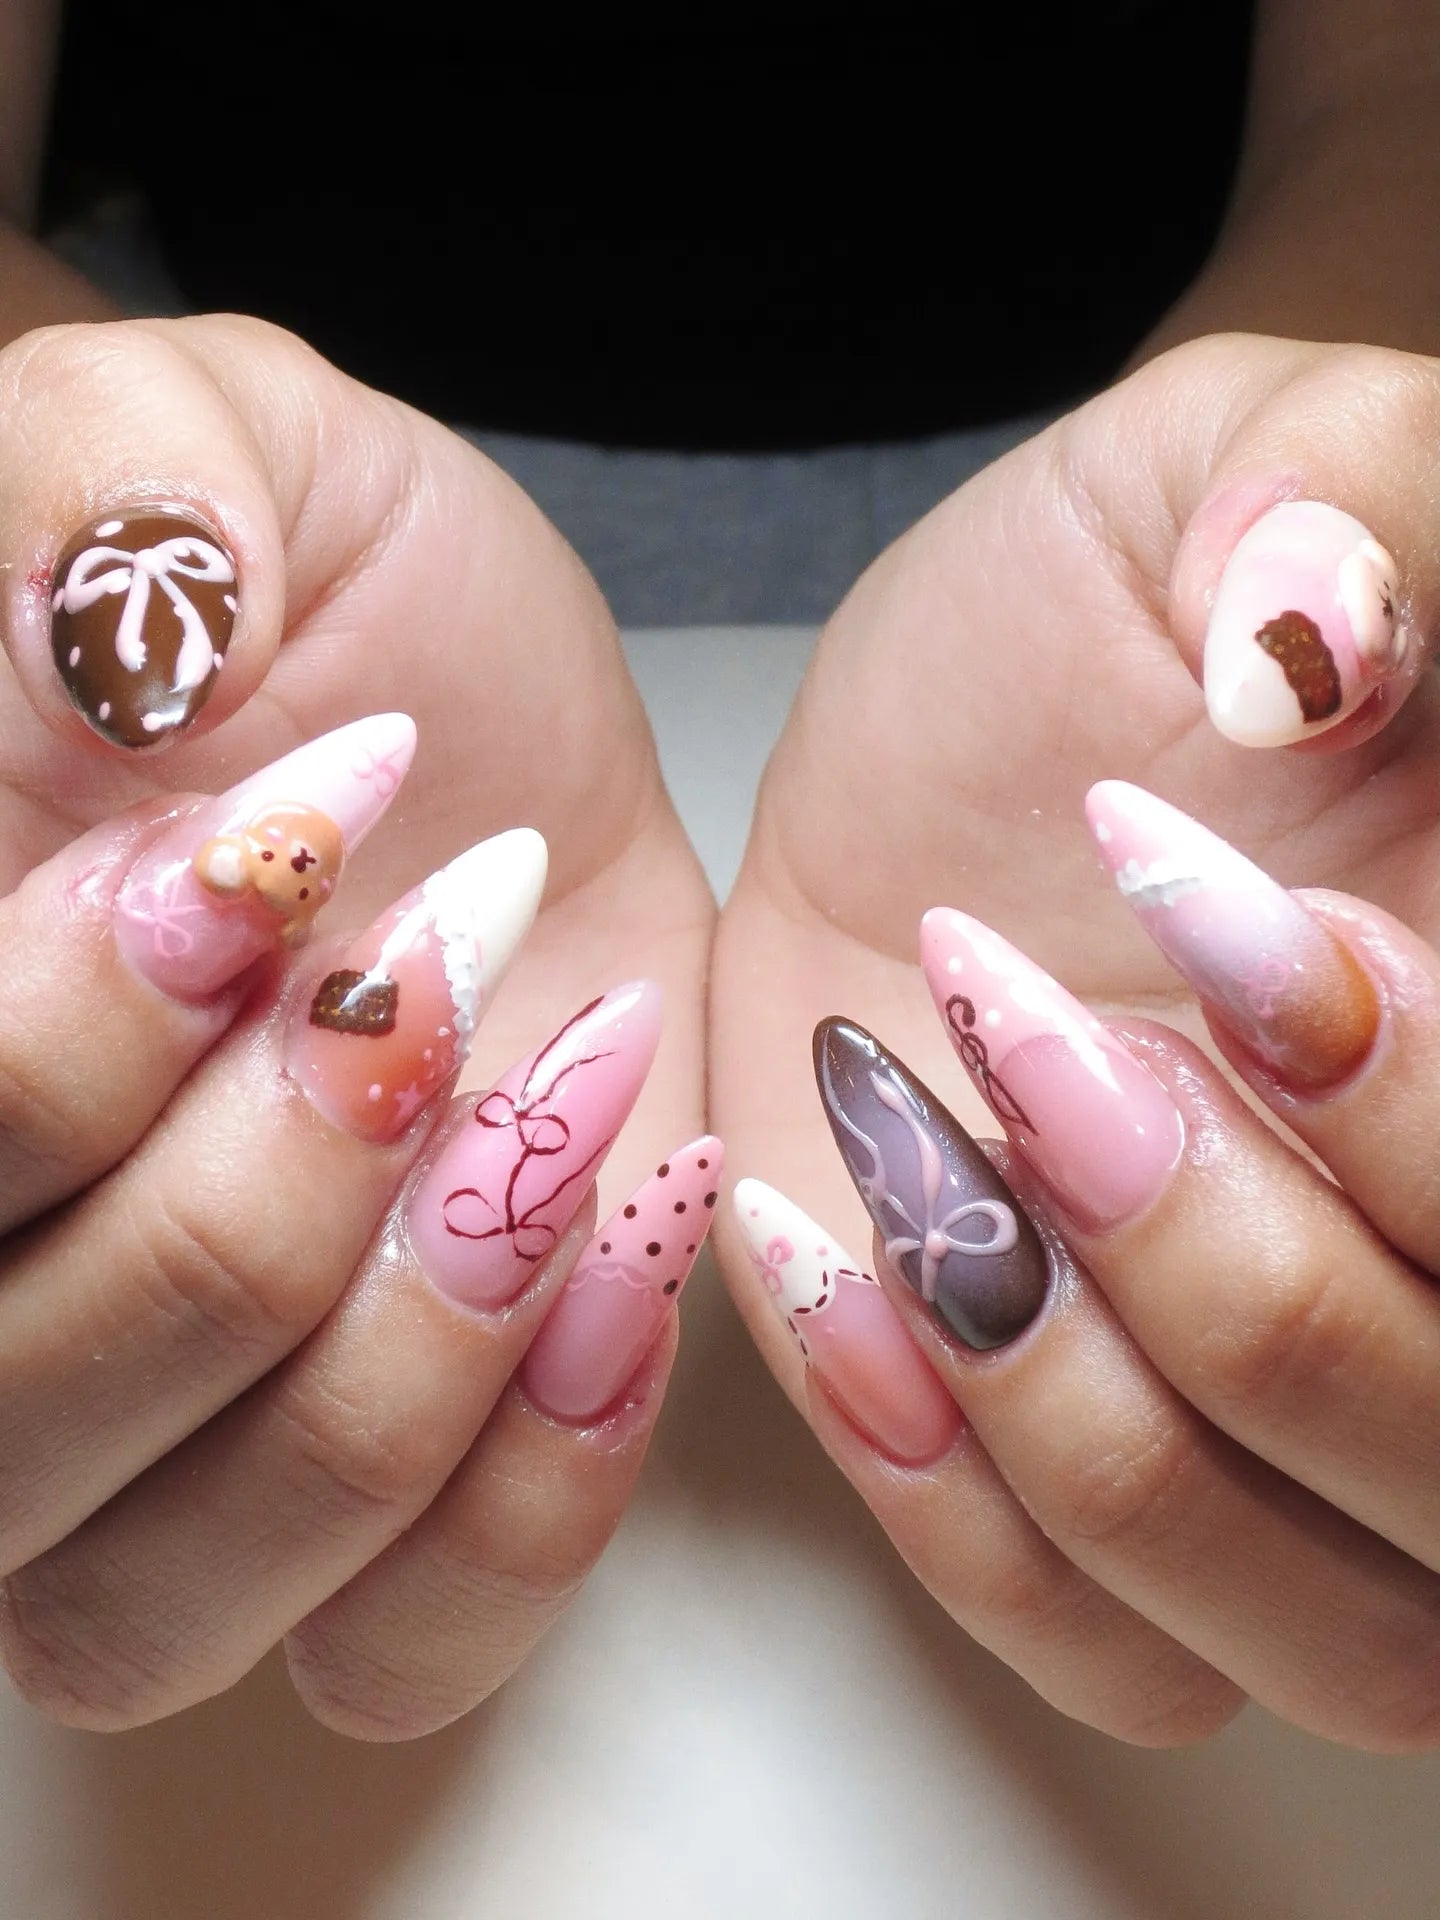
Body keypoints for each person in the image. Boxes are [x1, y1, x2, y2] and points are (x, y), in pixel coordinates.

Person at [0, 0, 1439, 1755]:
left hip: (1196, 449)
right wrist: (56, 444)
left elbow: (1397, 101)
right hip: (217, 419)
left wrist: (1323, 436)